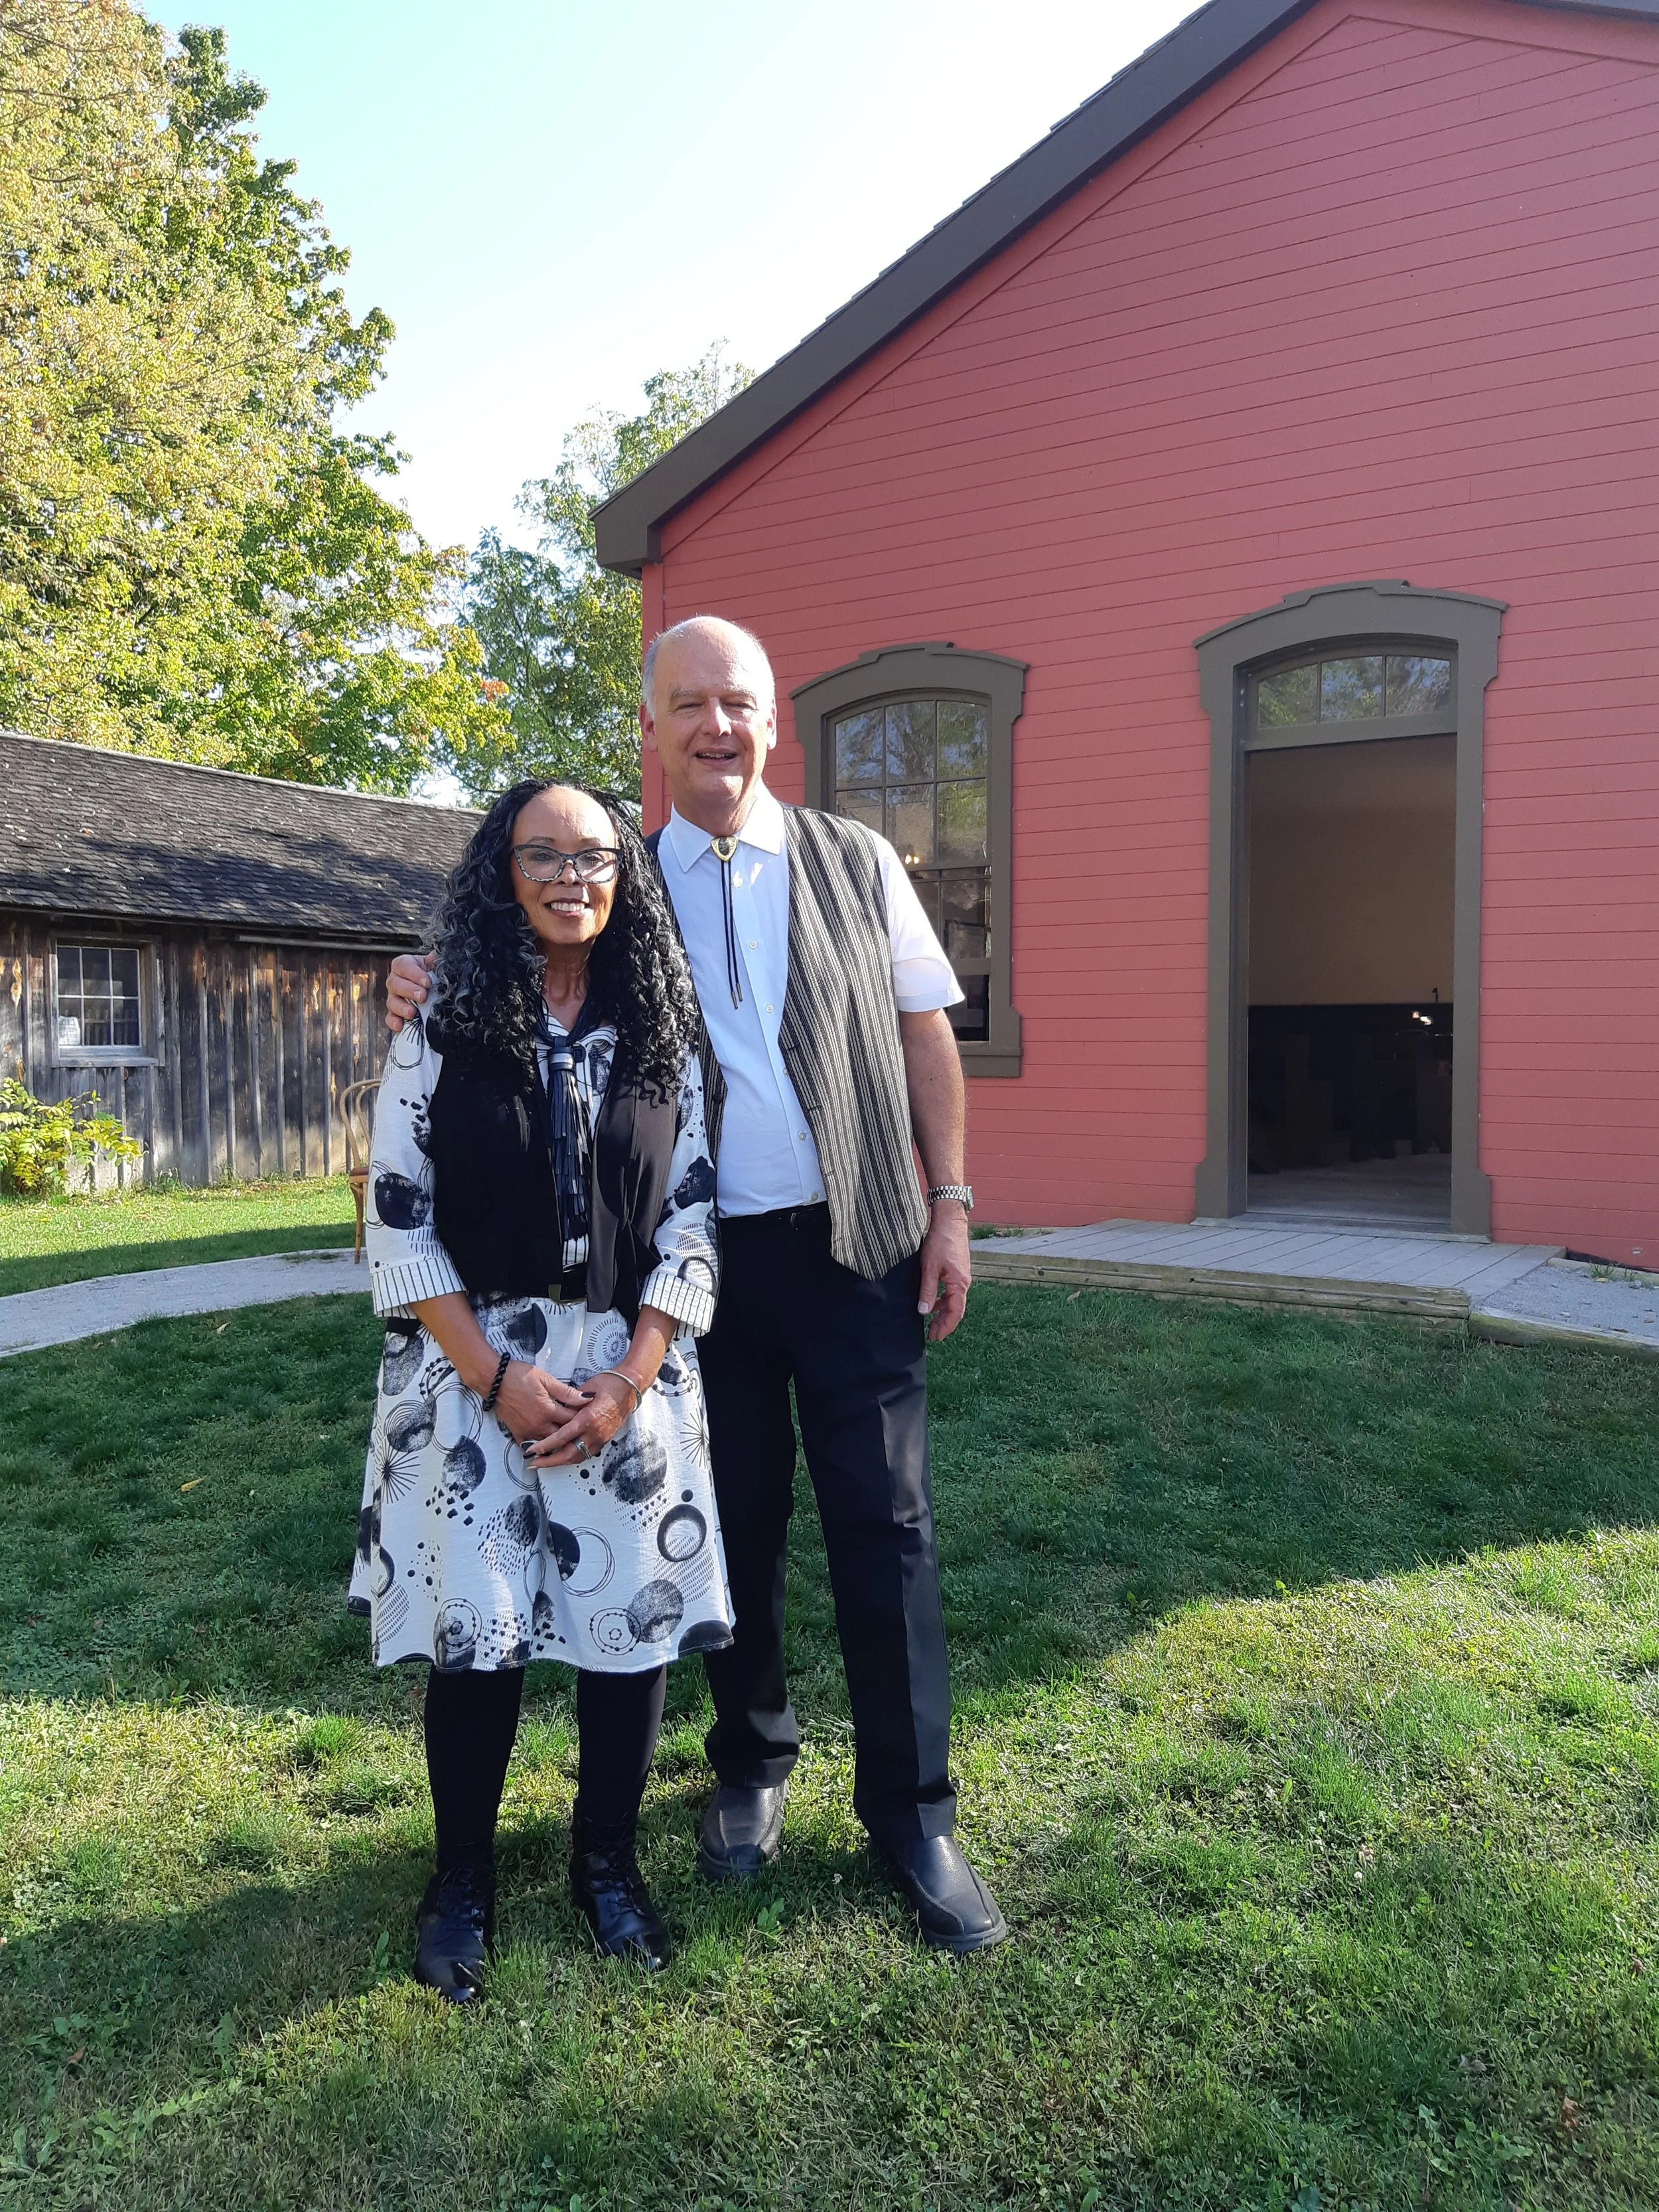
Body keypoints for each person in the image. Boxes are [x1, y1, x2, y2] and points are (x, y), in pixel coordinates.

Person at [388, 617, 1005, 1953]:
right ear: (652, 731)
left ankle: (913, 1816)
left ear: (770, 721)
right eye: (688, 706)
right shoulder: (620, 881)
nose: (716, 727)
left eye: (737, 703)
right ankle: (750, 1762)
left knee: (883, 1522)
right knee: (726, 1520)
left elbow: (921, 1033)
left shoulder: (854, 862)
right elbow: (519, 959)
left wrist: (947, 1200)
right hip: (688, 1269)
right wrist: (423, 974)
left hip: (858, 1242)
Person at [353, 779, 732, 1998]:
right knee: (479, 1638)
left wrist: (626, 1381)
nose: (574, 875)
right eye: (543, 854)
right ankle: (461, 1878)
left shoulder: (659, 1031)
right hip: (471, 1375)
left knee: (628, 1637)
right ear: (500, 874)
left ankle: (606, 1865)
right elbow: (395, 1218)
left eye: (596, 855)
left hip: (629, 1372)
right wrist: (497, 1376)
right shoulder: (439, 1024)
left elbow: (692, 1224)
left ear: (625, 877)